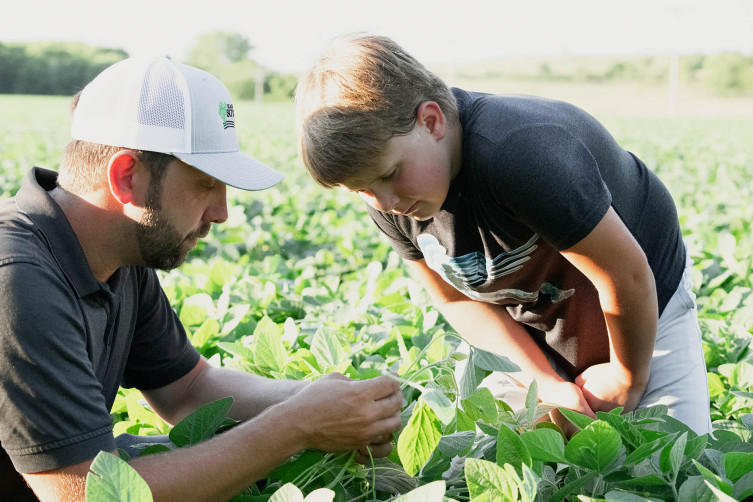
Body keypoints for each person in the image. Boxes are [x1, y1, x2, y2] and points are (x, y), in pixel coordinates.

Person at [0, 56, 403, 502]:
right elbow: (88, 495)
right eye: (206, 184)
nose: (221, 213)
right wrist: (298, 425)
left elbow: (188, 388)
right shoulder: (18, 282)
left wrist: (320, 400)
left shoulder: (120, 252)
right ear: (125, 178)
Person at [295, 34, 712, 436]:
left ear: (431, 120)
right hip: (536, 331)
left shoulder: (518, 153)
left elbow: (626, 274)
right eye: (361, 189)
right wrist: (544, 383)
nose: (383, 201)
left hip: (645, 316)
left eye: (389, 174)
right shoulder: (390, 197)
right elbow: (456, 298)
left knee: (678, 465)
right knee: (495, 468)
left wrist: (626, 378)